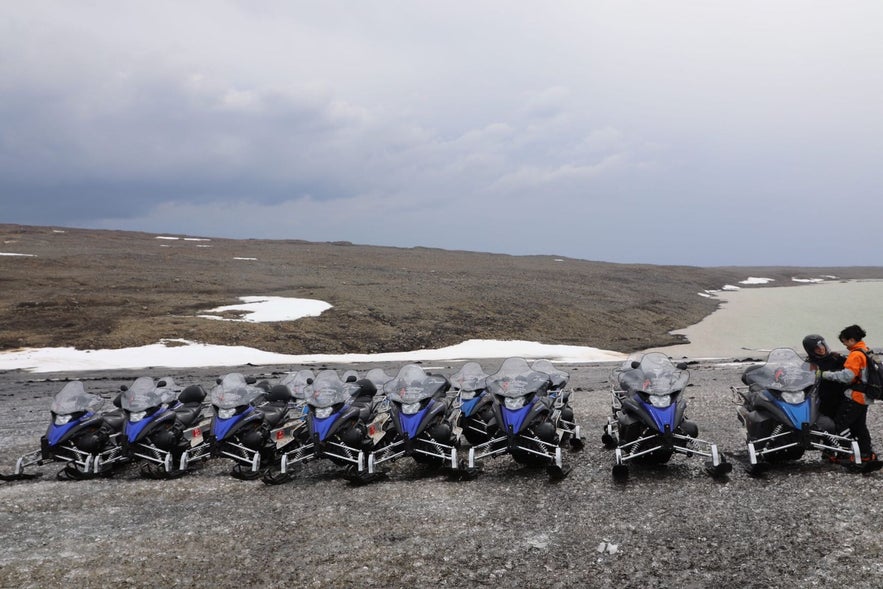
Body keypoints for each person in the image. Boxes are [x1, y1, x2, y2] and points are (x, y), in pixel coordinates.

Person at [819, 324, 876, 464]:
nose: (844, 345)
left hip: (854, 397)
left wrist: (825, 375)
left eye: (844, 341)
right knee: (859, 426)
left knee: (839, 425)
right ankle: (866, 454)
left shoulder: (855, 355)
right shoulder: (866, 351)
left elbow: (847, 377)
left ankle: (845, 453)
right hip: (865, 397)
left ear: (851, 340)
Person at [802, 334, 846, 421]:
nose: (821, 348)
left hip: (841, 396)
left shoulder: (835, 357)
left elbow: (851, 370)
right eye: (817, 348)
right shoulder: (808, 364)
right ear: (810, 351)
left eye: (822, 345)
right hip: (823, 399)